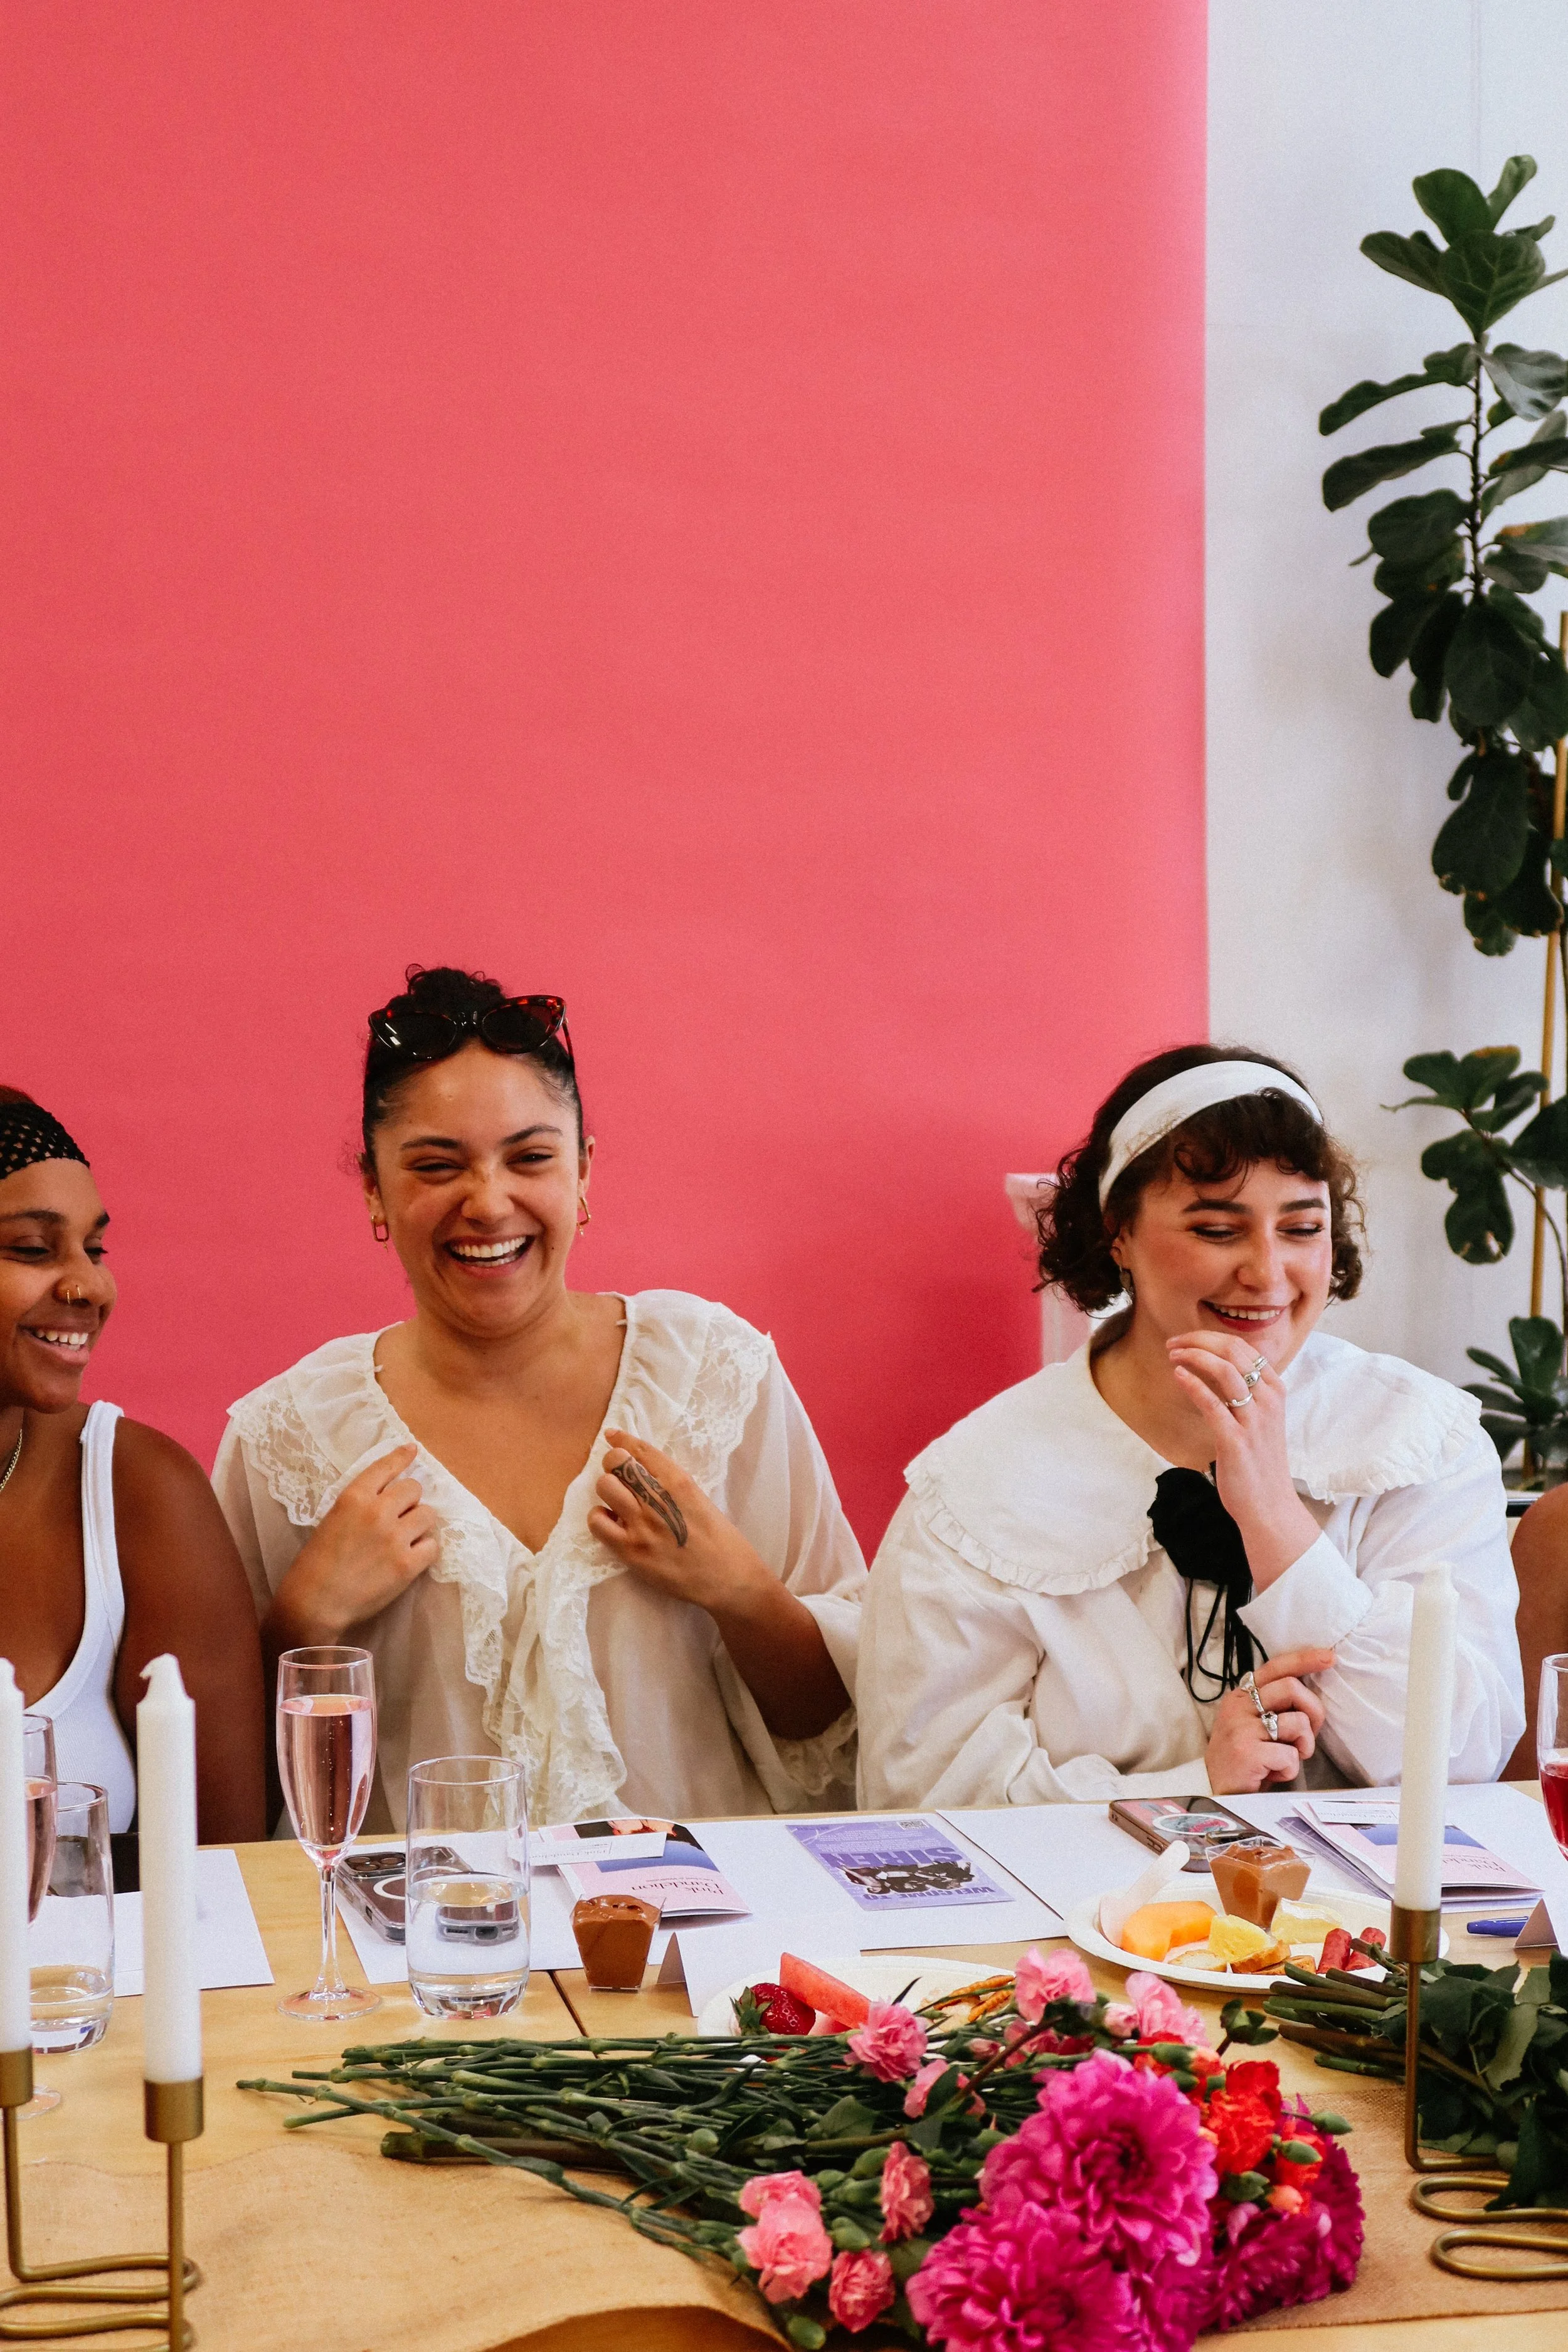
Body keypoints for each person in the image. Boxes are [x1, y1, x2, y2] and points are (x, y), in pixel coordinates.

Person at [213, 967, 862, 1831]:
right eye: (437, 1165)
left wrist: (738, 1588)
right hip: (419, 1954)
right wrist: (306, 1617)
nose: (488, 1202)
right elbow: (219, 1784)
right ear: (373, 1187)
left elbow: (841, 1732)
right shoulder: (290, 1439)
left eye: (531, 1157)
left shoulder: (713, 1377)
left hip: (695, 1949)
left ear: (584, 1173)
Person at [857, 1044, 1525, 1808]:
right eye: (1217, 1230)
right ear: (1119, 1235)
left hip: (1361, 1924)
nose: (1268, 1274)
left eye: (1302, 1228)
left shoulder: (1415, 1439)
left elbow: (1457, 1763)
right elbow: (916, 1807)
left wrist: (1275, 1520)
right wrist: (1191, 1788)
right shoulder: (975, 1491)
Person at [0, 1088, 265, 1839]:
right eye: (30, 1248)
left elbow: (229, 1877)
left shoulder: (136, 1491)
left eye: (94, 1247)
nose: (90, 1286)